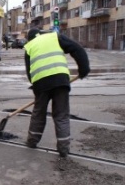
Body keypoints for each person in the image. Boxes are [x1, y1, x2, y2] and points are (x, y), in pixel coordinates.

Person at [24, 28, 90, 157]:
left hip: (41, 83)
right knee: (61, 115)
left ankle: (32, 142)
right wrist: (84, 69)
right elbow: (77, 49)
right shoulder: (55, 37)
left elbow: (29, 71)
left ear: (30, 38)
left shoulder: (29, 46)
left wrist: (35, 86)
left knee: (38, 113)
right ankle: (63, 148)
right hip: (60, 81)